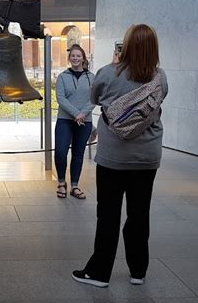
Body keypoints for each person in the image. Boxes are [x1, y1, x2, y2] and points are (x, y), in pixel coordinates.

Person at [72, 24, 168, 288]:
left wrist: (117, 66)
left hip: (113, 158)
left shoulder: (107, 74)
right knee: (140, 214)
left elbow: (95, 96)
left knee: (108, 215)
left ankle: (100, 273)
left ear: (124, 47)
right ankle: (138, 271)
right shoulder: (161, 78)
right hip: (147, 158)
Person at [54, 44, 95, 199]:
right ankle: (61, 183)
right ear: (69, 58)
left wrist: (82, 114)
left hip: (84, 121)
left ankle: (74, 186)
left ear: (83, 58)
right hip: (65, 120)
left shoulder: (92, 77)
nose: (75, 58)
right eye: (73, 56)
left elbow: (94, 98)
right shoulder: (63, 77)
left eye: (78, 56)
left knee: (78, 154)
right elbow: (61, 98)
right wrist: (76, 113)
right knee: (60, 152)